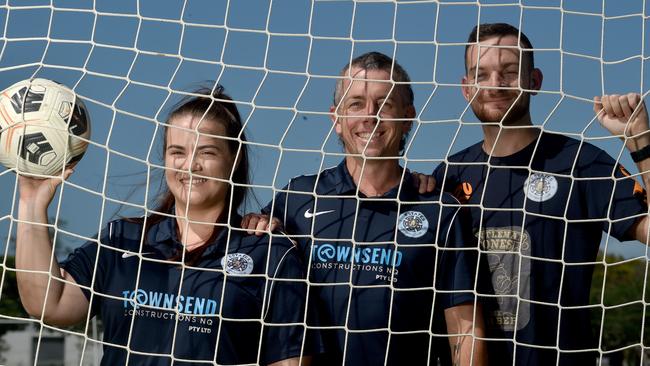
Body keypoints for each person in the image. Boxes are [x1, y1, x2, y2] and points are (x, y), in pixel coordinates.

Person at [15, 86, 309, 365]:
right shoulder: (124, 240)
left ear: (233, 159)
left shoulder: (270, 255)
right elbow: (48, 304)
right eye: (177, 152)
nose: (190, 164)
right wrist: (32, 203)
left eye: (207, 152)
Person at [244, 52, 487, 365]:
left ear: (408, 116)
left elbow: (466, 332)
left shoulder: (440, 211)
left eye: (384, 104)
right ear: (337, 119)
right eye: (356, 103)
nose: (369, 116)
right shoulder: (297, 199)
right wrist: (250, 223)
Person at [432, 23, 650, 365]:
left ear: (534, 81)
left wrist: (640, 141)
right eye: (481, 74)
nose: (495, 85)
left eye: (508, 72)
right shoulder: (448, 177)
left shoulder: (580, 163)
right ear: (465, 88)